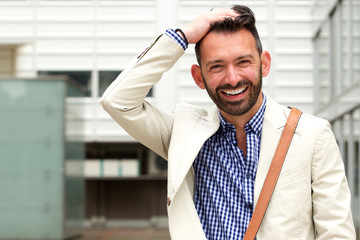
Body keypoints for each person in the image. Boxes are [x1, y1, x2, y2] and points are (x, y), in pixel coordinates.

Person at [101, 5, 355, 240]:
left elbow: (336, 233)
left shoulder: (313, 135)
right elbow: (118, 101)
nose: (232, 78)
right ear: (199, 77)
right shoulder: (184, 135)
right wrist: (183, 36)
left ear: (263, 64)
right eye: (217, 66)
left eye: (243, 62)